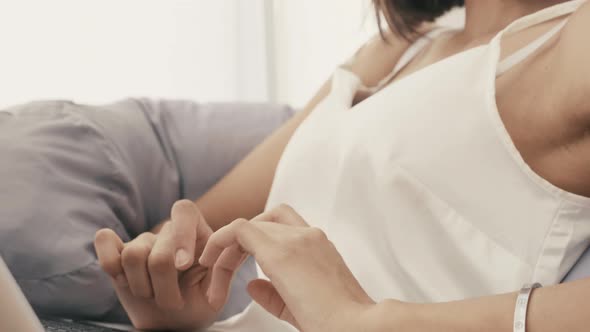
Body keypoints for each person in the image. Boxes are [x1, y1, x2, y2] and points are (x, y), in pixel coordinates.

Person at [93, 0, 590, 331]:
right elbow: (201, 226)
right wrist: (170, 290)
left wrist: (373, 321)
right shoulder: (404, 44)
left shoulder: (568, 44)